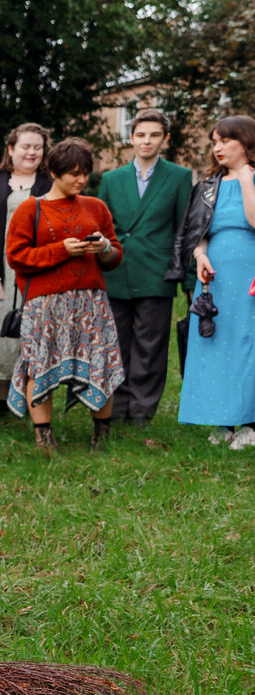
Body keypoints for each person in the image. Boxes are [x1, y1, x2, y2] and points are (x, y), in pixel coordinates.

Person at [5, 138, 126, 451]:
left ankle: (102, 437)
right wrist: (61, 250)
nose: (82, 180)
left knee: (100, 365)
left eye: (85, 172)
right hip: (44, 305)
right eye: (74, 173)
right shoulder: (30, 208)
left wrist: (104, 249)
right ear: (54, 172)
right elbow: (16, 257)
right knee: (39, 366)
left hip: (91, 303)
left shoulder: (96, 207)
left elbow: (115, 258)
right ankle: (43, 438)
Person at [96, 108, 194, 428]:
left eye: (154, 135)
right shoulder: (111, 179)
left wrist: (187, 279)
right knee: (118, 343)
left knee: (151, 347)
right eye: (140, 135)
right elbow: (103, 227)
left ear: (165, 139)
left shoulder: (179, 177)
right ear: (131, 138)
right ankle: (119, 406)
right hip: (117, 271)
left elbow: (185, 229)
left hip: (156, 271)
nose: (146, 141)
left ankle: (142, 413)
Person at [171, 115, 255, 448]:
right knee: (217, 342)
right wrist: (200, 255)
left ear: (245, 142)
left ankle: (250, 422)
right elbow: (199, 230)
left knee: (248, 342)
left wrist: (247, 179)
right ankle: (224, 421)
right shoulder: (207, 185)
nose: (217, 148)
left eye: (224, 140)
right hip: (216, 273)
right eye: (214, 142)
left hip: (250, 273)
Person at [0, 123, 54, 410]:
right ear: (11, 149)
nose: (31, 152)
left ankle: (26, 394)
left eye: (37, 147)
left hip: (33, 268)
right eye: (25, 146)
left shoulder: (50, 182)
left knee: (30, 327)